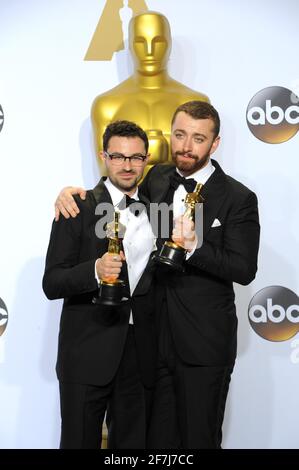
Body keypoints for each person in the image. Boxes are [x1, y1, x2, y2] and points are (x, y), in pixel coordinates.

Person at [54, 101, 260, 449]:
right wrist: (72, 194)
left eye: (198, 138)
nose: (186, 146)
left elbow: (243, 268)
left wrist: (195, 248)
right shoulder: (159, 178)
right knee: (154, 445)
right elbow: (119, 192)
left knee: (198, 441)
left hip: (202, 346)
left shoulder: (238, 198)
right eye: (180, 135)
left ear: (215, 143)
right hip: (149, 347)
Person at [42, 120, 157, 449]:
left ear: (146, 160)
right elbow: (52, 282)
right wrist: (94, 269)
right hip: (86, 352)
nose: (127, 165)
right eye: (118, 156)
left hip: (141, 354)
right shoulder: (76, 207)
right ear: (103, 156)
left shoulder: (159, 210)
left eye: (135, 157)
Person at [89, 11, 209, 175]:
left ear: (169, 45)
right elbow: (106, 173)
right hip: (128, 201)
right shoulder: (107, 105)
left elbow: (201, 170)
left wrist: (160, 151)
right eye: (140, 42)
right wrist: (150, 152)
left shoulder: (196, 102)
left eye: (158, 42)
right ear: (130, 46)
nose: (149, 51)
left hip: (181, 199)